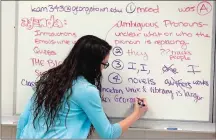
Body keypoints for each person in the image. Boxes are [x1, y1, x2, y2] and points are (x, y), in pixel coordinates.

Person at [16, 35, 148, 139]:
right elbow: (108, 134)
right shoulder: (86, 90)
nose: (103, 69)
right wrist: (137, 114)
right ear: (93, 63)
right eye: (104, 64)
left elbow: (23, 119)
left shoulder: (49, 78)